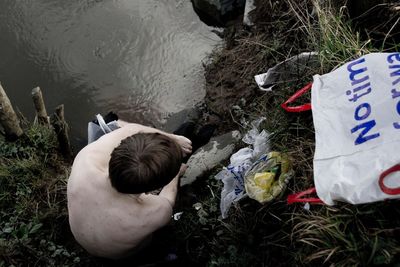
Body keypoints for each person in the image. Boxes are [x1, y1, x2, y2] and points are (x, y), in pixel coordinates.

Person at [67, 120, 192, 259]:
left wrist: (173, 138)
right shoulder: (160, 211)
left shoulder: (86, 158)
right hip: (117, 255)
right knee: (150, 240)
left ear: (117, 152)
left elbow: (131, 129)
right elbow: (168, 199)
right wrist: (176, 174)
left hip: (80, 236)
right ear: (155, 187)